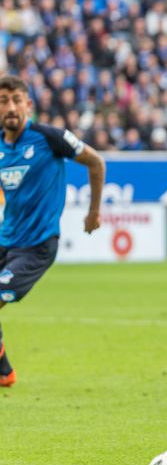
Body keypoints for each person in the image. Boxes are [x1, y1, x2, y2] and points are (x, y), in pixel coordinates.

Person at [0, 75, 106, 387]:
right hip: (5, 239)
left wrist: (94, 212)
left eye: (16, 99)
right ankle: (4, 371)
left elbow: (96, 162)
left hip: (37, 245)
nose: (10, 107)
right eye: (3, 101)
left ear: (28, 105)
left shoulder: (49, 138)